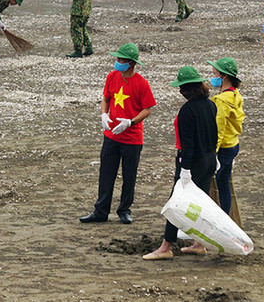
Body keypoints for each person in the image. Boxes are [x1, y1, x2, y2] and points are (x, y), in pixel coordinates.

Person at [143, 66, 217, 260]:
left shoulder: (187, 111)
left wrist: (184, 169)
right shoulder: (211, 105)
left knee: (175, 204)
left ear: (188, 89)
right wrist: (214, 157)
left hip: (193, 163)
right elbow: (214, 134)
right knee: (201, 204)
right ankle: (199, 243)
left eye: (182, 88)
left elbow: (188, 145)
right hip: (209, 159)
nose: (180, 92)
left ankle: (166, 246)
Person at [81, 43, 156, 225]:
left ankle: (124, 209)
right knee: (106, 173)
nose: (117, 62)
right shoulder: (112, 76)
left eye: (121, 59)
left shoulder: (141, 84)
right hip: (111, 135)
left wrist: (131, 122)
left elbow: (147, 109)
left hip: (132, 138)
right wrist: (104, 114)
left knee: (129, 175)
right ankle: (101, 210)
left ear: (131, 63)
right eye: (117, 58)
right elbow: (106, 98)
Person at [207, 57, 244, 216]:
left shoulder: (222, 101)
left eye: (214, 73)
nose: (212, 77)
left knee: (222, 185)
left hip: (223, 148)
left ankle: (223, 217)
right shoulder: (235, 95)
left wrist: (213, 152)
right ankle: (226, 215)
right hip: (233, 143)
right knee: (224, 183)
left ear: (224, 76)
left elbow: (219, 128)